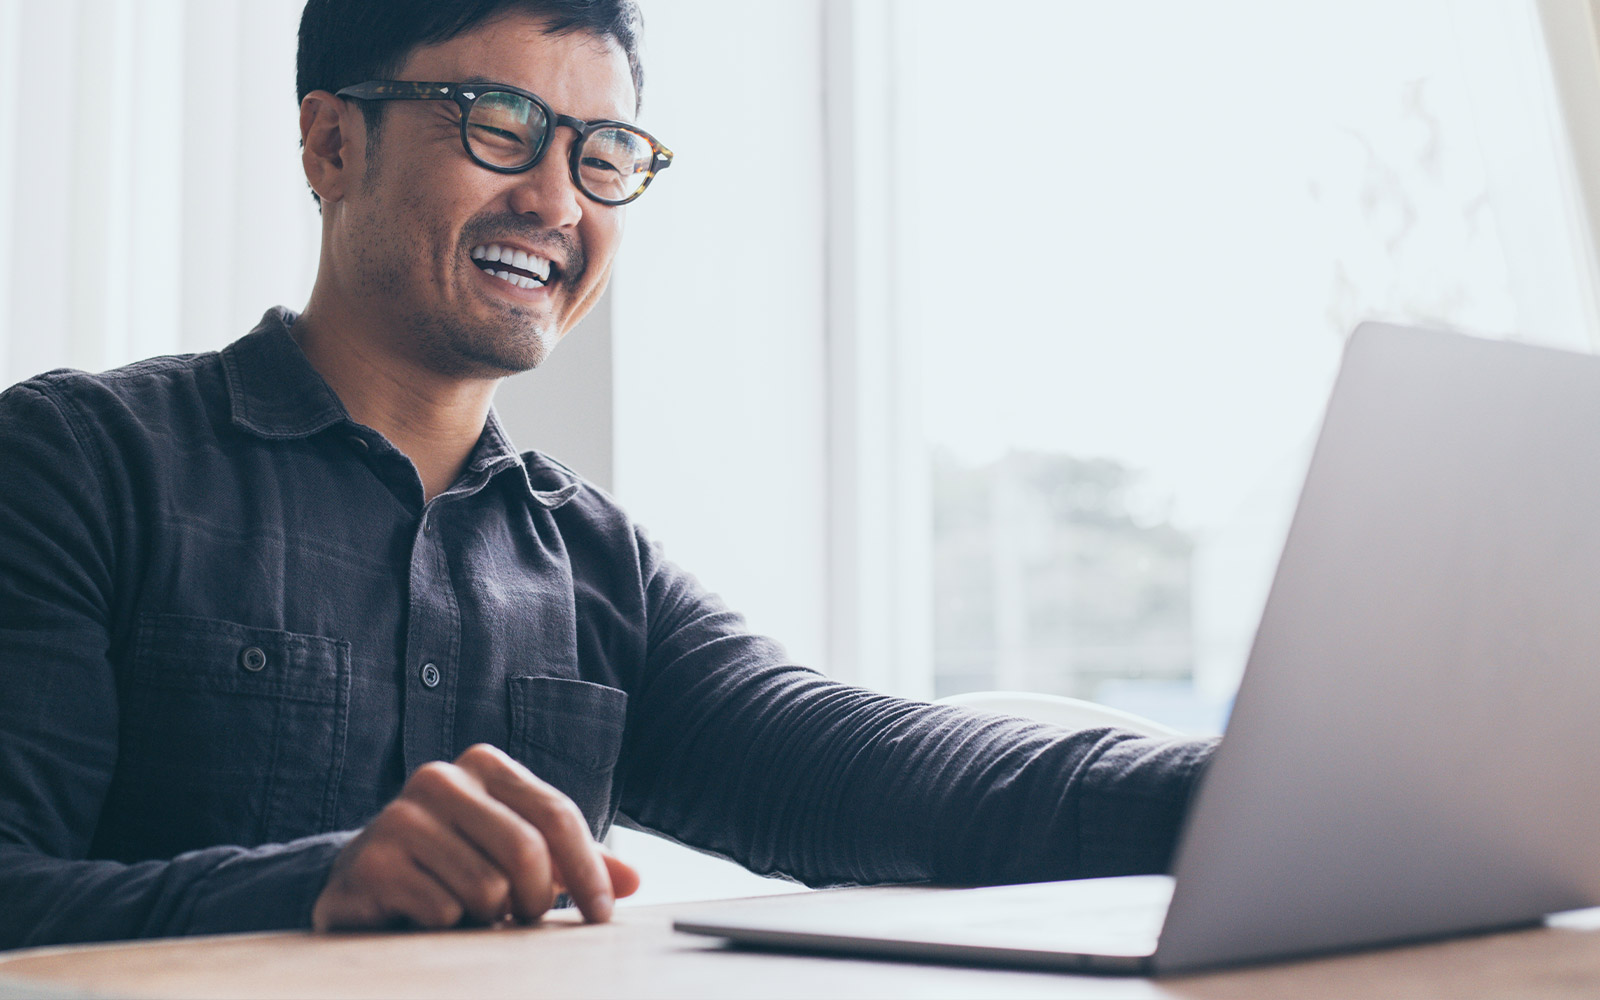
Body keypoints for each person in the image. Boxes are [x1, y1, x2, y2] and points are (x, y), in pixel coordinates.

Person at [0, 0, 1216, 949]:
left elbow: (868, 769)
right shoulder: (75, 466)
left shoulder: (595, 569)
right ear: (330, 141)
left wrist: (1252, 794)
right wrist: (311, 885)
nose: (554, 201)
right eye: (499, 125)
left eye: (605, 153)